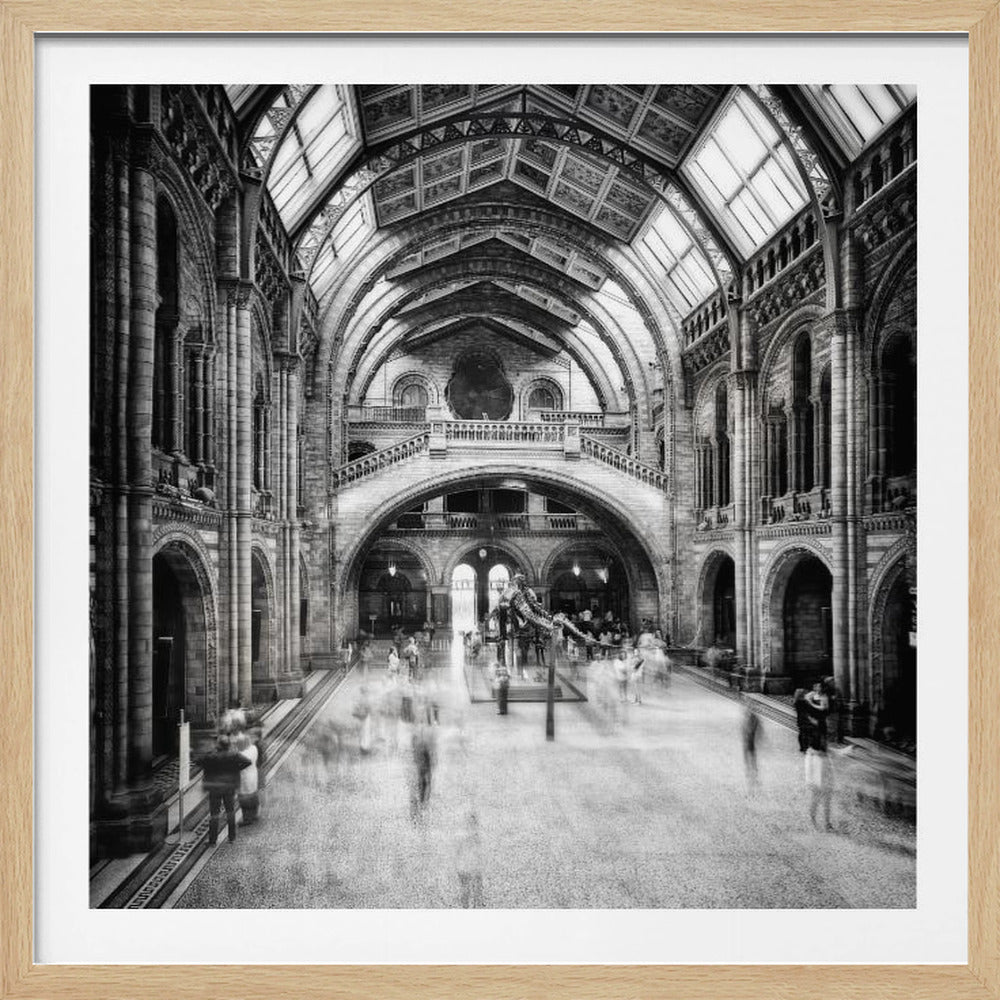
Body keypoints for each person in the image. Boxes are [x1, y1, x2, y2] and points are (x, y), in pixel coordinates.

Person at [198, 735, 250, 845]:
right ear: (228, 745)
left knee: (214, 814)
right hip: (229, 787)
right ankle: (232, 837)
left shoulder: (211, 756)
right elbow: (247, 762)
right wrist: (236, 769)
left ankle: (213, 840)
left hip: (215, 787)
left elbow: (199, 762)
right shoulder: (234, 754)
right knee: (230, 811)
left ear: (218, 745)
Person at [234, 732, 260, 825]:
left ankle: (247, 818)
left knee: (244, 799)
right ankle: (255, 814)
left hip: (244, 778)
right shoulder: (253, 748)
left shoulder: (241, 754)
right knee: (253, 795)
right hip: (253, 774)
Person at [741, 695, 762, 790]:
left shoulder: (753, 717)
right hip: (747, 739)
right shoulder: (748, 715)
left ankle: (752, 771)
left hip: (750, 739)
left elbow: (755, 728)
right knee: (749, 755)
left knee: (751, 755)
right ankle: (750, 770)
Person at [793, 688, 811, 752]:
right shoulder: (804, 702)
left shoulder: (796, 702)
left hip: (800, 718)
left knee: (801, 732)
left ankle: (802, 747)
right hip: (805, 718)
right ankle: (805, 746)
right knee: (806, 733)